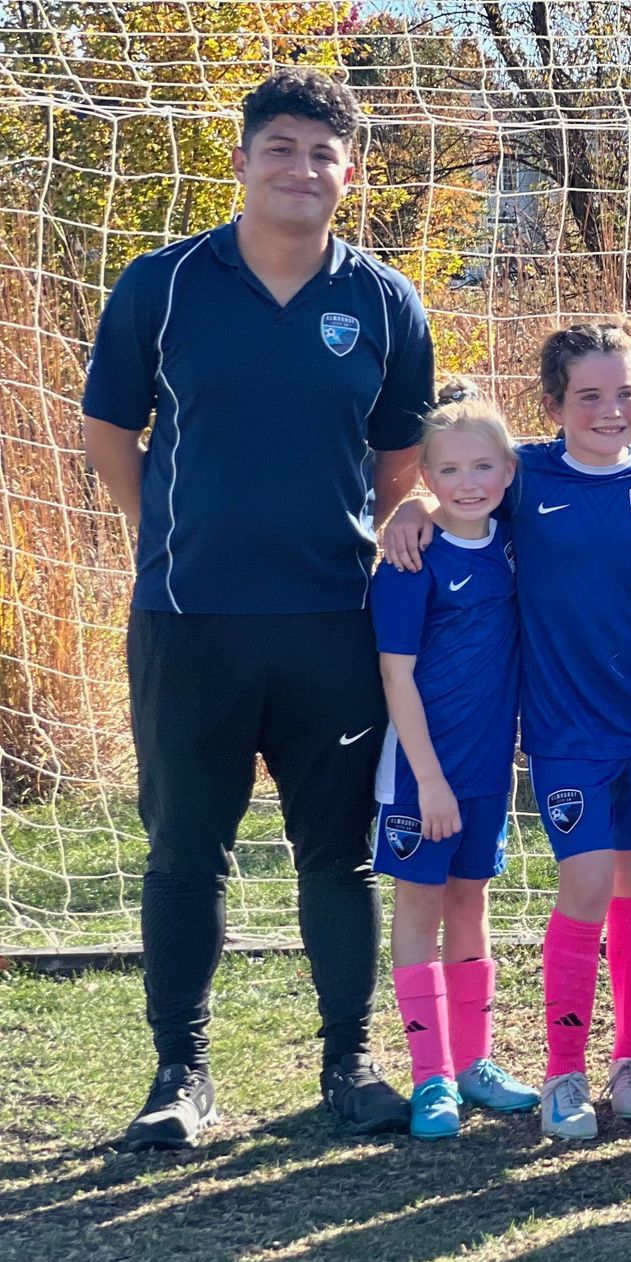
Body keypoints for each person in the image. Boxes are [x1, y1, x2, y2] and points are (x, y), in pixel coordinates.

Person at [83, 68, 434, 1148]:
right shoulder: (162, 286)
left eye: (323, 153)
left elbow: (399, 466)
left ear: (352, 173)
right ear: (240, 160)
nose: (301, 169)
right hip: (190, 623)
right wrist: (183, 542)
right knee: (187, 851)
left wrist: (342, 549)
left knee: (340, 854)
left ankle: (348, 1064)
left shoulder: (383, 302)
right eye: (279, 147)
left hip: (333, 625)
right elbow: (108, 439)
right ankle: (179, 1076)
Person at [386, 321, 631, 1140]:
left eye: (625, 392)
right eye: (588, 395)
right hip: (563, 732)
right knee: (585, 885)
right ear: (553, 404)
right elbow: (460, 477)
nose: (609, 408)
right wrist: (411, 506)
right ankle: (563, 1072)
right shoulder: (524, 476)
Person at [371, 380, 536, 1139]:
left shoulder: (511, 541)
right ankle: (430, 1075)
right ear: (427, 479)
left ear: (507, 473)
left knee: (471, 904)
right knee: (419, 907)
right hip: (420, 771)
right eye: (449, 472)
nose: (468, 484)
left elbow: (587, 461)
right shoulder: (413, 559)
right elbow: (396, 675)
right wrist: (429, 780)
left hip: (485, 770)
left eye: (484, 469)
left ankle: (475, 1062)